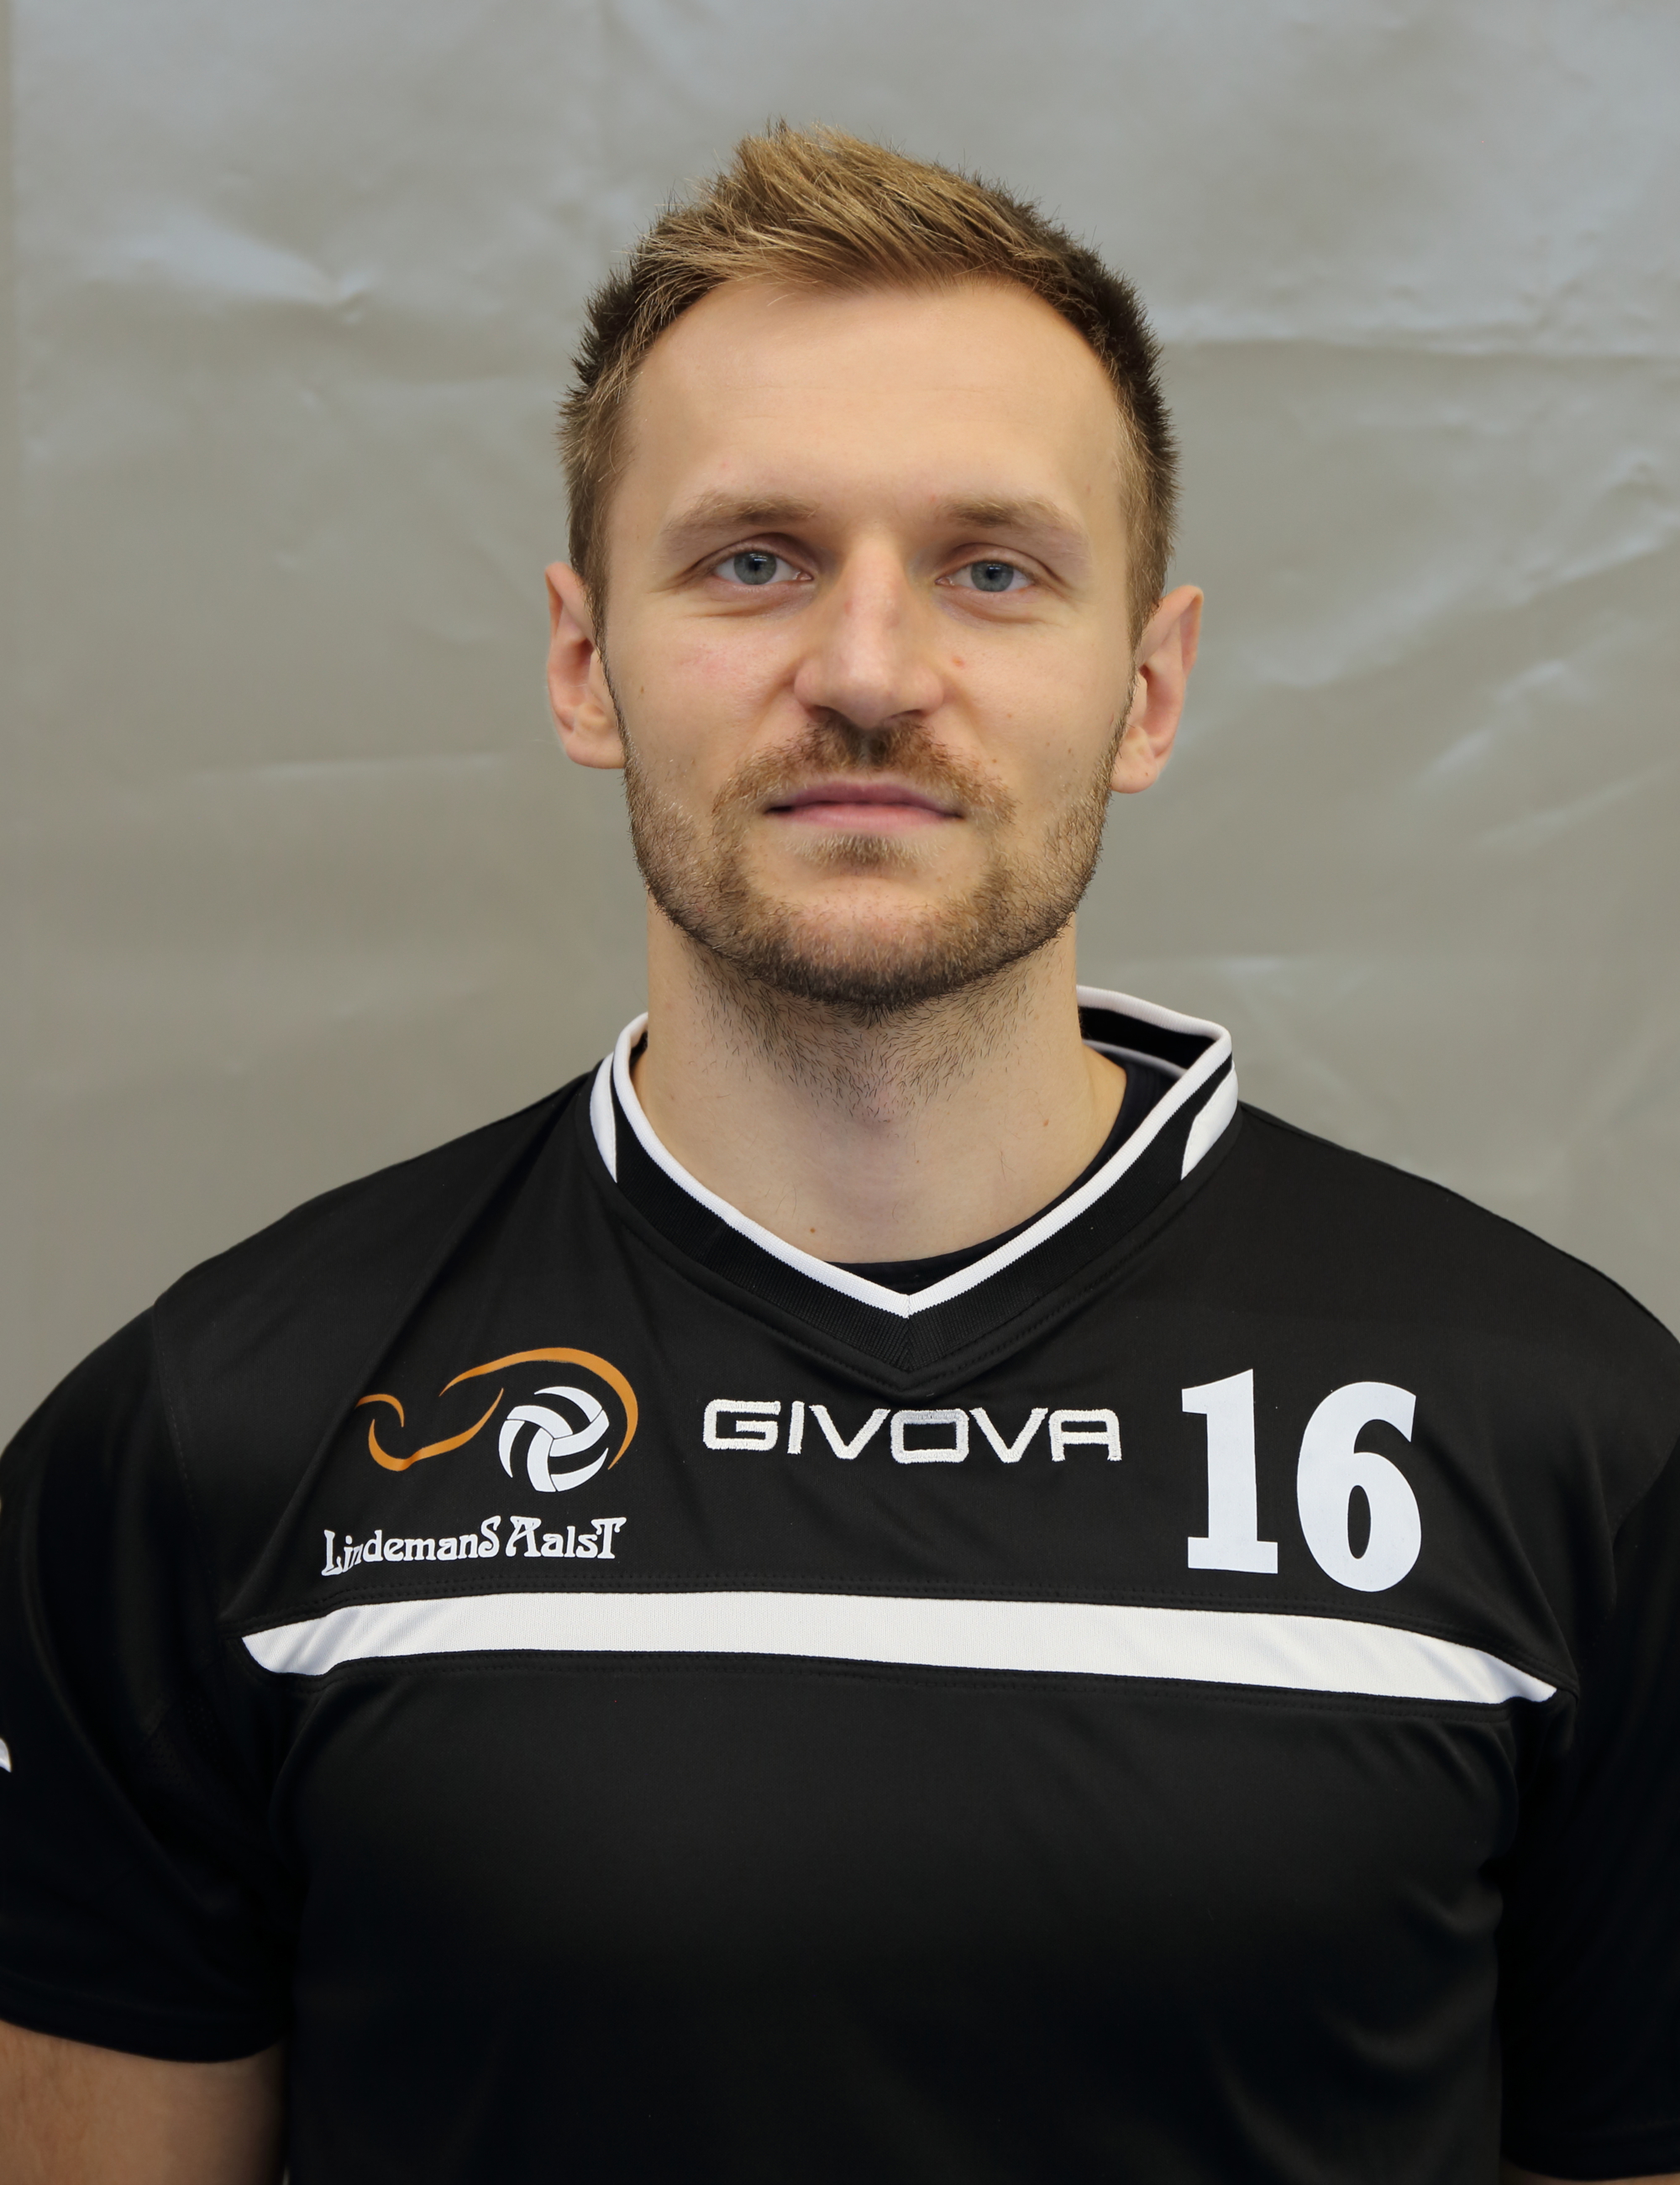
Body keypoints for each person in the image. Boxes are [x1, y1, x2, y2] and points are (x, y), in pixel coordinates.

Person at [1, 123, 1676, 2185]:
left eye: (993, 570)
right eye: (753, 560)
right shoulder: (214, 1440)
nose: (870, 673)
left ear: (1146, 688)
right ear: (582, 661)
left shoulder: (1572, 1438)